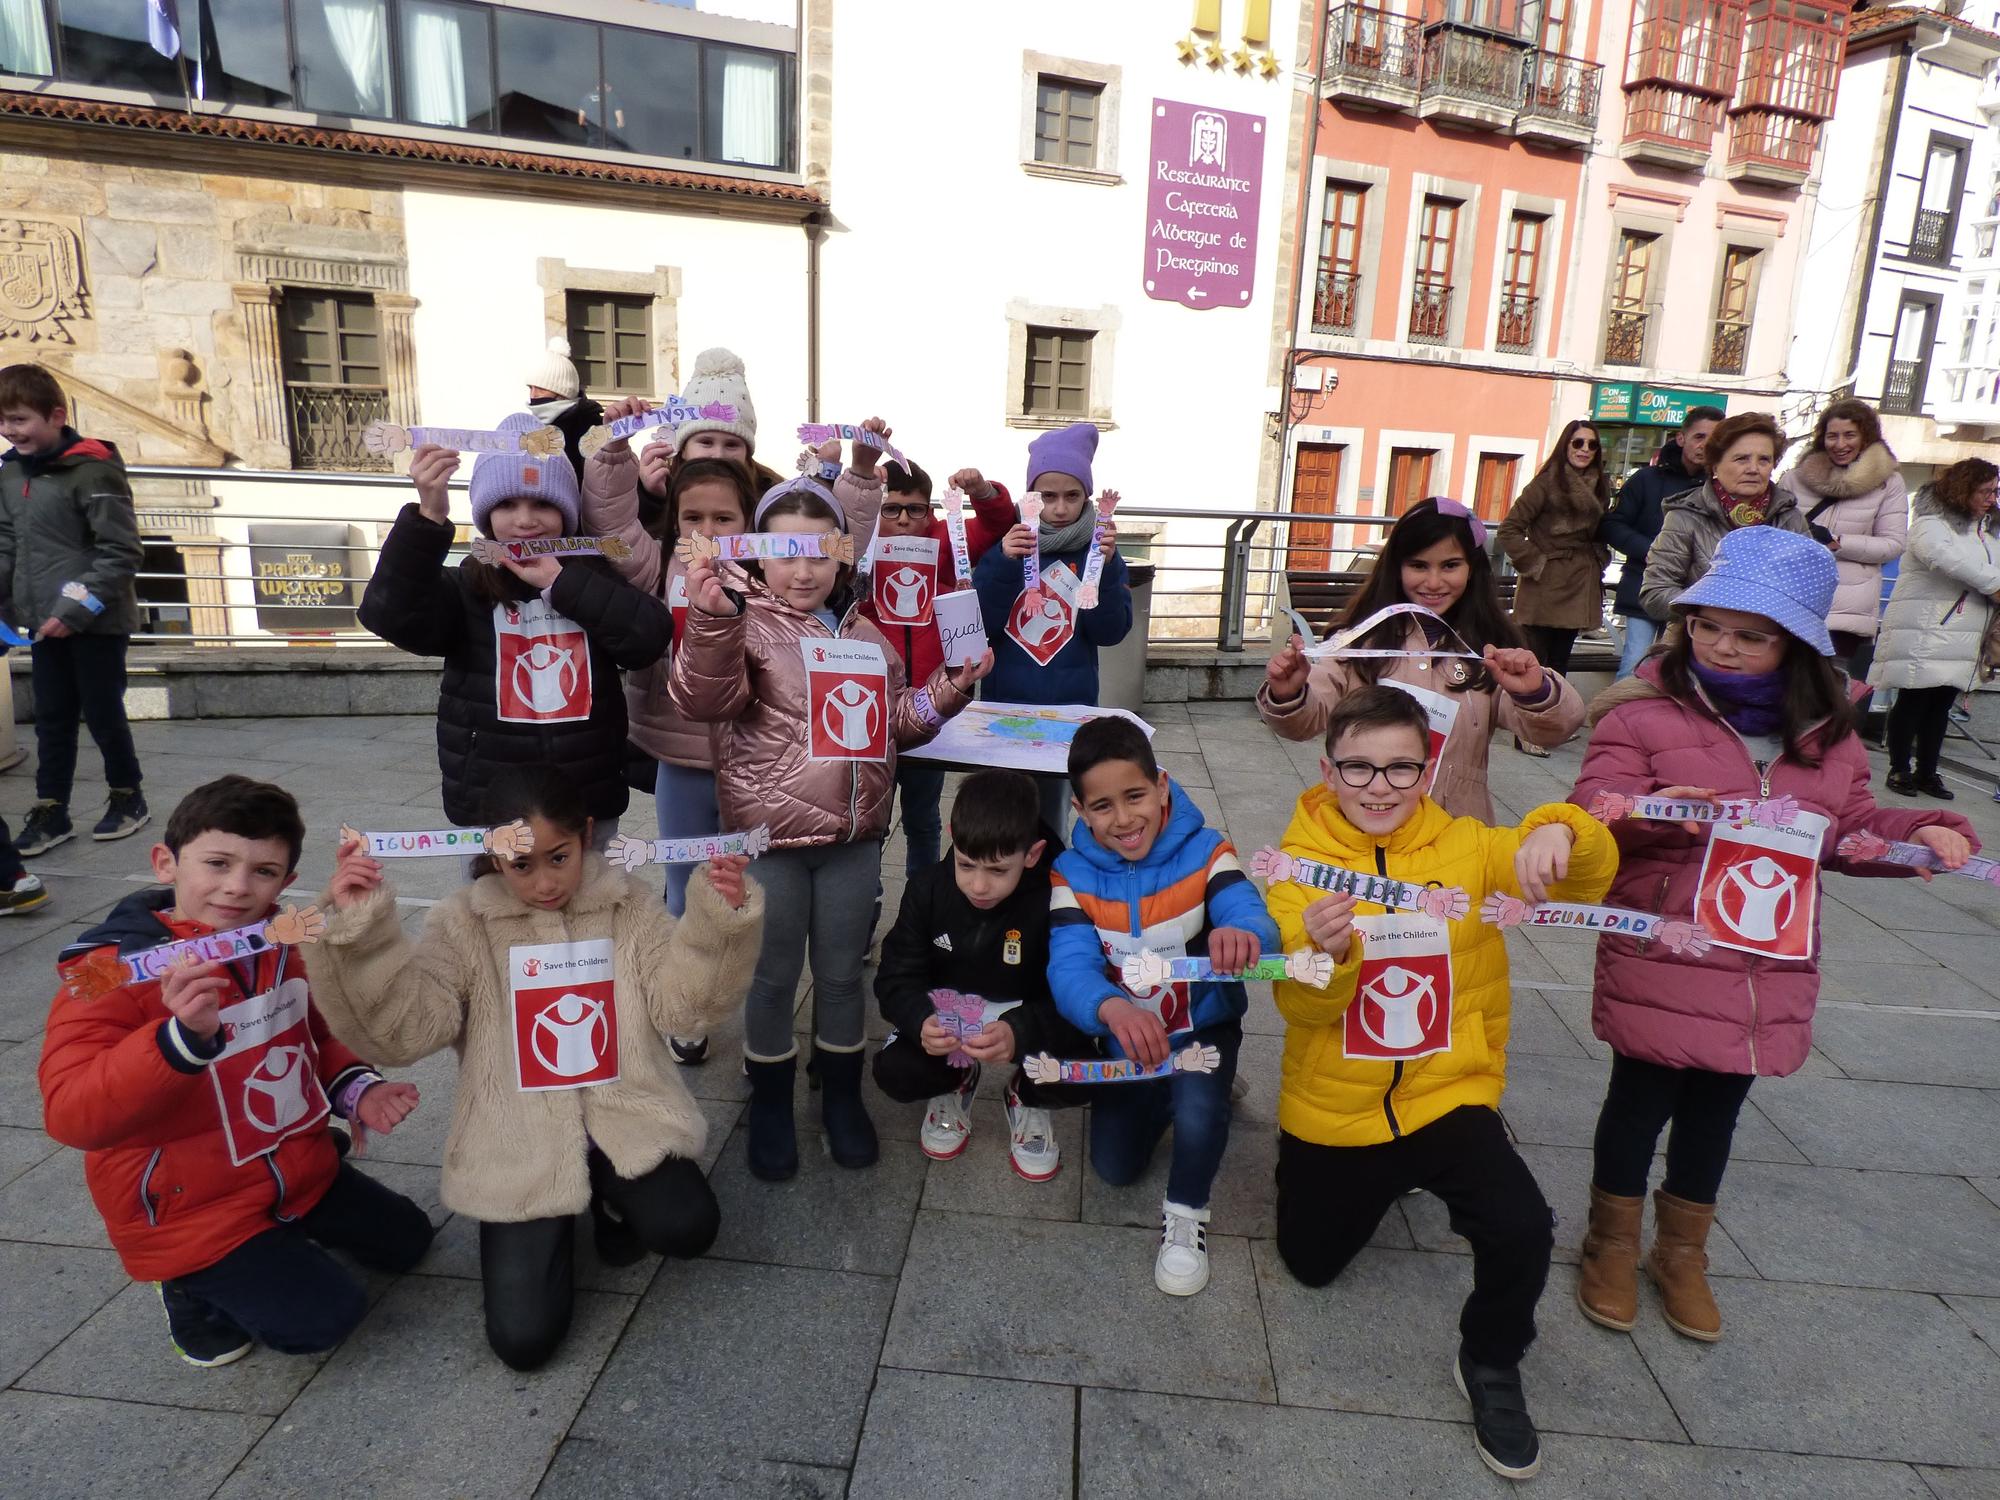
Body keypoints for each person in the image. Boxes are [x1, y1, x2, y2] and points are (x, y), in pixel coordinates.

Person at [1573, 526, 1975, 1347]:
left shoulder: (1826, 737)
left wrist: (1924, 830)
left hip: (1765, 963)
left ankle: (1682, 1251)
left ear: (1794, 644)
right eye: (1709, 624)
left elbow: (1850, 830)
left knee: (1716, 1113)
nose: (1722, 644)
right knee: (1637, 1103)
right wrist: (1656, 812)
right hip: (1666, 948)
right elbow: (1592, 815)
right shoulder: (1644, 714)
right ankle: (1610, 1242)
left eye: (1750, 634)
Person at [1267, 686, 1616, 1482]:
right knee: (1310, 1264)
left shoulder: (1468, 847)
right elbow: (1297, 1001)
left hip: (1443, 1091)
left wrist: (1562, 829)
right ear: (1328, 770)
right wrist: (1328, 956)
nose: (1380, 787)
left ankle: (1492, 1360)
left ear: (1428, 772)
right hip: (1340, 1106)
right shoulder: (1296, 869)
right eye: (1359, 767)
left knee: (1524, 1226)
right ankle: (1331, 1172)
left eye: (1401, 768)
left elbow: (1587, 877)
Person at [309, 764, 763, 1371]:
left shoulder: (627, 906)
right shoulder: (462, 925)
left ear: (587, 835)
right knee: (524, 1342)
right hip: (517, 1135)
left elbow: (685, 1004)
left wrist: (715, 923)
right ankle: (552, 1221)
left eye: (560, 857)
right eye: (522, 865)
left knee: (689, 1227)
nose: (546, 883)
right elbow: (406, 1031)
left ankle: (608, 1198)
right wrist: (361, 936)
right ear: (493, 855)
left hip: (623, 1109)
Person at [39, 775, 433, 1368]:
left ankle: (282, 1235)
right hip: (189, 1206)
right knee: (324, 1319)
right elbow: (71, 1114)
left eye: (263, 872)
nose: (236, 887)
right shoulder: (107, 971)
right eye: (217, 863)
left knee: (410, 1239)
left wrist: (358, 1090)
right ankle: (186, 1287)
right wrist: (177, 1042)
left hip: (294, 1166)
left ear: (286, 883)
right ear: (165, 862)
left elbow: (317, 1036)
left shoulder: (280, 942)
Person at [671, 474, 992, 1181]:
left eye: (820, 551)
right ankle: (774, 1101)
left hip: (853, 841)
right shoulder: (740, 621)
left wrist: (952, 687)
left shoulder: (868, 633)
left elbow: (898, 724)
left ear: (844, 556)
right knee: (773, 979)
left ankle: (843, 1096)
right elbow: (701, 696)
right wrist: (712, 621)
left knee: (844, 976)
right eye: (785, 551)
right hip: (771, 844)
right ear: (757, 555)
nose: (803, 568)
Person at [1047, 716, 1279, 1296]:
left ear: (1163, 786)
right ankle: (1175, 1096)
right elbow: (1069, 965)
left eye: (1135, 796)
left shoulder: (1207, 850)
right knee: (1114, 1168)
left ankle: (1186, 1215)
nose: (1124, 819)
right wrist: (1109, 1008)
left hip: (1203, 1028)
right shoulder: (1069, 873)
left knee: (1201, 1116)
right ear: (1079, 809)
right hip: (1129, 1041)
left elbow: (1252, 915)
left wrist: (1247, 936)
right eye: (1102, 806)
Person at [359, 412, 672, 835]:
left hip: (585, 800)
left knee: (591, 902)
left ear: (567, 512)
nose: (525, 521)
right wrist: (428, 517)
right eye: (507, 504)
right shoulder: (467, 584)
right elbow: (393, 616)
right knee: (492, 904)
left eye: (543, 503)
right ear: (486, 516)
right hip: (490, 801)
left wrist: (562, 583)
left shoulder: (591, 574)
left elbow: (647, 638)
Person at [582, 399, 761, 1066]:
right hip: (682, 758)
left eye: (723, 518)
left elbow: (837, 552)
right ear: (675, 520)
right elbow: (611, 521)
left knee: (751, 887)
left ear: (749, 520)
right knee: (685, 885)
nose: (707, 529)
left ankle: (760, 1017)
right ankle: (689, 1008)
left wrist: (856, 483)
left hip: (755, 759)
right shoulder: (658, 563)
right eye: (693, 518)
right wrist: (613, 450)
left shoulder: (769, 571)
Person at [1261, 498, 1584, 820]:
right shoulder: (1359, 640)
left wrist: (1535, 693)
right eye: (1418, 565)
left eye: (1450, 565)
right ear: (1397, 567)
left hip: (1455, 833)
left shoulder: (1490, 650)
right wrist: (1289, 694)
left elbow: (1550, 732)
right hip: (1363, 831)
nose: (1433, 582)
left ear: (1472, 569)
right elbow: (1304, 721)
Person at [872, 768, 1091, 1180]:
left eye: (997, 871)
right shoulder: (927, 888)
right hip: (950, 1014)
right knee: (896, 1072)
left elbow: (1075, 989)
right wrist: (920, 1020)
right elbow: (894, 975)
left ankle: (1026, 1095)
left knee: (1087, 1071)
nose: (978, 885)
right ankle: (954, 1080)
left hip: (1025, 1008)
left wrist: (1020, 1032)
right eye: (967, 864)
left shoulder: (1055, 898)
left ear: (1032, 854)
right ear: (953, 836)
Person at [840, 428, 1013, 878]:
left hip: (932, 701)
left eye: (914, 509)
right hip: (873, 704)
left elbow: (997, 524)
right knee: (867, 820)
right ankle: (865, 907)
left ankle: (922, 897)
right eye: (891, 508)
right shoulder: (861, 549)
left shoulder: (946, 542)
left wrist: (983, 492)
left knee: (923, 816)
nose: (901, 519)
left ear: (929, 509)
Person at [0, 363, 148, 856]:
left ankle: (128, 797)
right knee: (52, 718)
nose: (9, 430)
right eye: (1, 420)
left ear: (57, 415)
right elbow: (6, 543)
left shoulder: (93, 470)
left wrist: (72, 610)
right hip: (42, 623)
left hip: (96, 622)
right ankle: (51, 810)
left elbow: (120, 552)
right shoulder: (12, 471)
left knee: (104, 714)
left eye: (19, 419)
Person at [972, 422, 1130, 834]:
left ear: (1088, 497)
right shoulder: (1008, 545)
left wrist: (1106, 571)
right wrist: (1002, 565)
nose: (1059, 508)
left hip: (1068, 714)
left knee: (1052, 822)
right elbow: (980, 624)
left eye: (1072, 496)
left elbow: (1111, 631)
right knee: (1003, 821)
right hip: (1005, 709)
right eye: (1048, 496)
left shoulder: (1100, 552)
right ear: (1031, 497)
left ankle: (1051, 893)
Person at [1869, 458, 2000, 800]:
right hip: (1927, 627)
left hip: (1964, 632)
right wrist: (1993, 584)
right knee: (1913, 698)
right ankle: (1899, 768)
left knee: (1941, 704)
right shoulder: (1932, 523)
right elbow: (1943, 557)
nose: (1991, 498)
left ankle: (1927, 771)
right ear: (1964, 489)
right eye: (1984, 491)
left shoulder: (1985, 529)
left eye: (1994, 491)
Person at [1640, 412, 1809, 622]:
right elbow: (1655, 592)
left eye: (1764, 459)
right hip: (1698, 643)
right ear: (1715, 465)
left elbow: (1807, 592)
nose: (1754, 469)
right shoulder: (1686, 516)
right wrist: (1713, 612)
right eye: (1741, 459)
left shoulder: (1790, 518)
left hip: (1768, 645)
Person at [1775, 399, 1907, 667]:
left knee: (1830, 691)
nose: (1839, 444)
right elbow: (1775, 535)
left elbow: (1893, 544)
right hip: (1793, 600)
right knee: (1782, 689)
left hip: (1848, 610)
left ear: (1866, 437)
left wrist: (1837, 543)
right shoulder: (1794, 478)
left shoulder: (1888, 483)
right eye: (1832, 435)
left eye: (1850, 435)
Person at [1602, 405, 1723, 679]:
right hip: (1644, 586)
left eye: (1714, 440)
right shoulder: (1646, 479)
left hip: (1696, 595)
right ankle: (1617, 720)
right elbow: (1612, 525)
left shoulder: (1722, 490)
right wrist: (1652, 551)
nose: (1705, 446)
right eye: (1699, 437)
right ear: (1682, 438)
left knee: (1681, 673)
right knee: (1634, 665)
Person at [1496, 417, 1612, 690]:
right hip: (1545, 587)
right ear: (1566, 445)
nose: (1584, 449)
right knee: (1535, 664)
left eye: (1592, 444)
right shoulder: (1545, 484)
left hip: (1578, 584)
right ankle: (1526, 726)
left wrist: (1600, 556)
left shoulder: (1599, 486)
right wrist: (1537, 562)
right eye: (1578, 442)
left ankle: (1552, 721)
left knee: (1560, 664)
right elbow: (1509, 530)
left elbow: (1599, 531)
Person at [632, 347, 782, 532]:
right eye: (706, 442)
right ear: (683, 448)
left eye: (732, 444)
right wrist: (654, 500)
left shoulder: (774, 498)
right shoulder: (656, 488)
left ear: (747, 452)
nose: (718, 455)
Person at [524, 337, 605, 487]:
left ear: (562, 393)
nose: (533, 395)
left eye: (541, 388)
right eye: (531, 388)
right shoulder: (529, 429)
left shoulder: (591, 429)